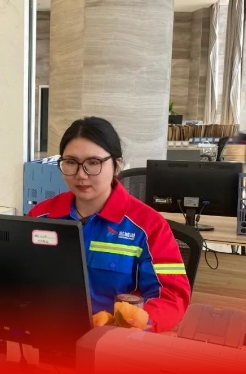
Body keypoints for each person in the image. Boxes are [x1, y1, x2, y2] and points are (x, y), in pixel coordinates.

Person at [27, 116, 191, 332]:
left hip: (113, 342)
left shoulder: (149, 226)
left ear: (117, 165)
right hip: (45, 335)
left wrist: (133, 324)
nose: (81, 174)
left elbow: (171, 297)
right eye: (71, 162)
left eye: (93, 163)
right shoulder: (40, 216)